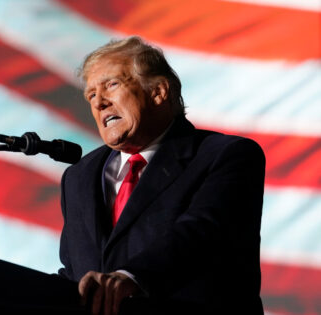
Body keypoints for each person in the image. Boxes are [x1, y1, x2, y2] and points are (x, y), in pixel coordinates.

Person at [58, 36, 265, 315]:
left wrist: (130, 278)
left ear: (158, 92)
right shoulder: (78, 177)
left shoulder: (226, 156)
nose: (99, 103)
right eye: (91, 95)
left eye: (111, 85)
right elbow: (73, 270)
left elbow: (201, 232)